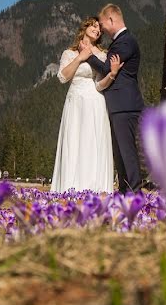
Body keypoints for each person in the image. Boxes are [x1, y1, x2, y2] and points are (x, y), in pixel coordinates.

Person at [51, 16, 123, 192]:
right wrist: (80, 58)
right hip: (75, 102)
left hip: (95, 102)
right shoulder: (69, 53)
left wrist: (112, 74)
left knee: (92, 142)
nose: (97, 29)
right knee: (73, 141)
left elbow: (99, 84)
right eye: (93, 25)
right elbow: (62, 77)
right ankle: (70, 188)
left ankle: (94, 188)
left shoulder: (102, 55)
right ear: (84, 28)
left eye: (99, 28)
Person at [83, 4, 144, 193]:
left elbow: (107, 68)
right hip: (119, 105)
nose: (101, 29)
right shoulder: (119, 42)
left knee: (127, 152)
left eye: (102, 24)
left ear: (111, 19)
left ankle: (135, 192)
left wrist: (88, 55)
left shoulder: (125, 42)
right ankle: (125, 191)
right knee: (120, 153)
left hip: (125, 105)